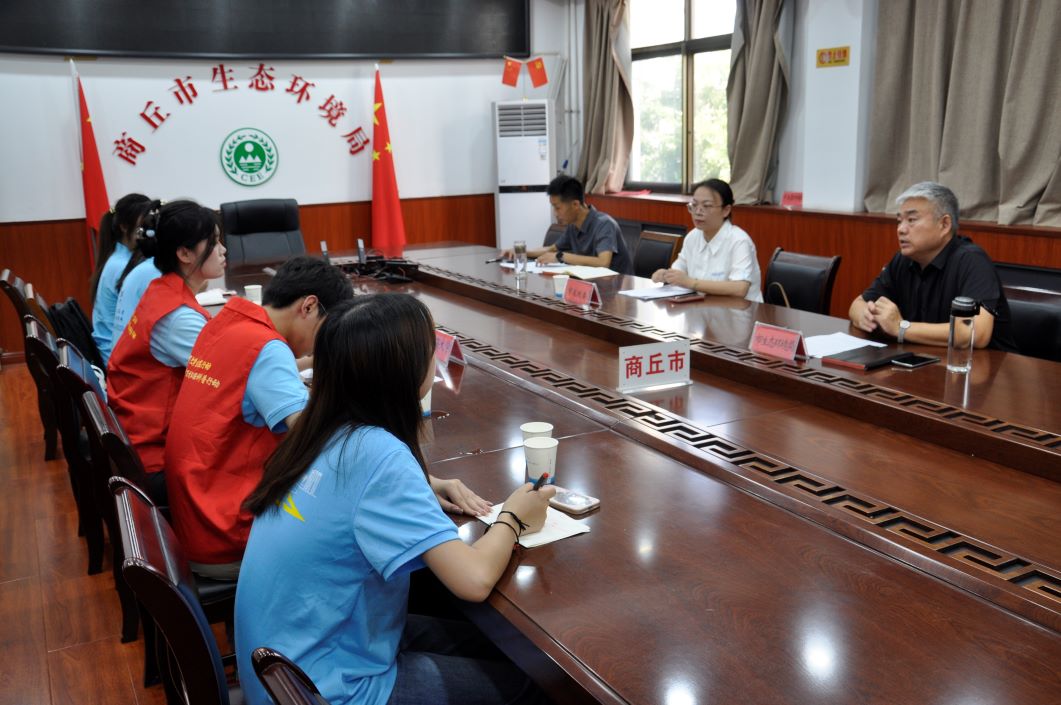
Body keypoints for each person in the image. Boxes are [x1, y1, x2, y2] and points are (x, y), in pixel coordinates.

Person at [235, 294, 554, 705]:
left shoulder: (320, 429)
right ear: (402, 370)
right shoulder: (377, 454)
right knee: (535, 684)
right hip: (327, 691)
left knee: (502, 647)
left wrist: (423, 486)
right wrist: (513, 515)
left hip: (281, 672)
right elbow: (472, 580)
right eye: (429, 346)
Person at [163, 256, 354, 580]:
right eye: (327, 329)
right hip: (228, 534)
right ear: (308, 307)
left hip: (197, 513)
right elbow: (313, 436)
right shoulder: (267, 347)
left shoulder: (227, 321)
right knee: (353, 533)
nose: (325, 343)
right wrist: (416, 477)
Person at [107, 200, 227, 501]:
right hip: (155, 457)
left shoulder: (163, 289)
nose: (223, 249)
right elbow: (230, 377)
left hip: (137, 435)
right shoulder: (178, 318)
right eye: (213, 242)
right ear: (184, 253)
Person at [849, 181, 1017, 351]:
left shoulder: (972, 261)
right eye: (899, 221)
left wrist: (901, 327)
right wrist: (867, 316)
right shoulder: (902, 260)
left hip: (983, 370)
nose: (900, 229)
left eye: (911, 220)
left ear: (944, 224)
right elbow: (858, 304)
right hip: (925, 363)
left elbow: (974, 332)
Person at [651, 178, 763, 302]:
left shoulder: (739, 241)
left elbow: (740, 289)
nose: (698, 212)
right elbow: (680, 270)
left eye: (707, 206)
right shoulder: (693, 236)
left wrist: (691, 282)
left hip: (739, 314)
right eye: (694, 205)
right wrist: (666, 275)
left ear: (726, 210)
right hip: (703, 309)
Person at [500, 174, 633, 274]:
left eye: (557, 207)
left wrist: (561, 257)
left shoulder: (604, 224)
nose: (555, 213)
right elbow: (551, 249)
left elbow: (603, 262)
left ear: (575, 204)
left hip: (616, 290)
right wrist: (521, 252)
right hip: (592, 286)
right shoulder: (573, 226)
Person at [89, 193, 151, 365]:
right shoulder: (123, 266)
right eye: (143, 224)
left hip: (112, 351)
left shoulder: (120, 258)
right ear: (124, 226)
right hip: (117, 359)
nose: (148, 230)